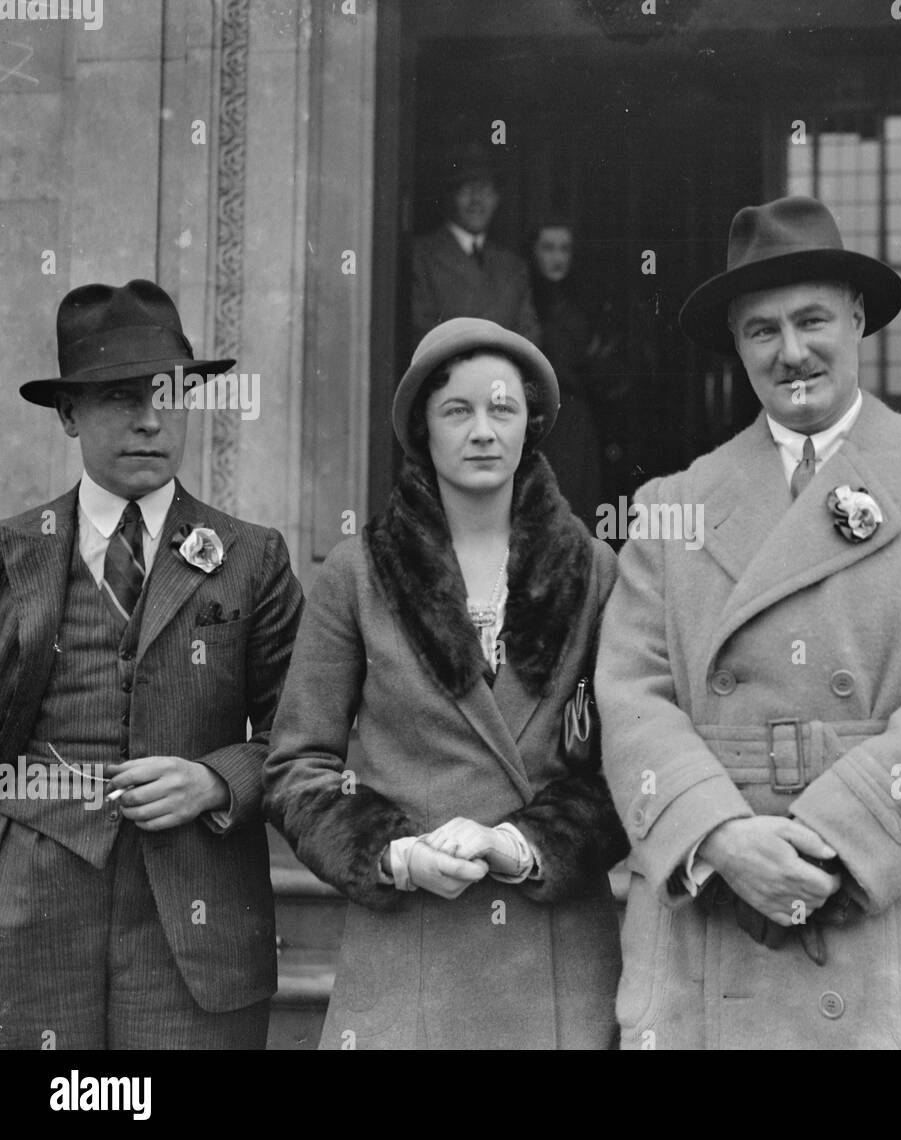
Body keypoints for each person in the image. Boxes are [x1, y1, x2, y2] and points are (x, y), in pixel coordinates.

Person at [597, 196, 901, 1049]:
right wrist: (720, 839)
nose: (791, 353)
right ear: (736, 344)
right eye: (762, 331)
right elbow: (630, 698)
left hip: (897, 910)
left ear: (858, 319)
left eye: (812, 320)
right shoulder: (670, 507)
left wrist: (825, 843)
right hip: (717, 917)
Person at [264, 317, 628, 1049]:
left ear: (533, 423)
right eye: (457, 411)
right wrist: (393, 855)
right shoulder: (357, 574)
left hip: (556, 953)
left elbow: (629, 771)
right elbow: (297, 769)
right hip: (410, 947)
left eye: (503, 409)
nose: (483, 431)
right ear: (421, 428)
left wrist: (520, 845)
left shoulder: (594, 572)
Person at [0, 279, 303, 1049]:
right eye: (117, 396)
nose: (149, 419)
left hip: (197, 935)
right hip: (32, 935)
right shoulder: (12, 554)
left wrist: (214, 779)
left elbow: (307, 742)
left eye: (170, 394)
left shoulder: (251, 556)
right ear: (68, 414)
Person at [409, 145, 540, 346]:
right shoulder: (422, 255)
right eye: (467, 189)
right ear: (450, 196)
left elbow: (528, 334)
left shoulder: (513, 265)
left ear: (497, 200)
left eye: (486, 190)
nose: (477, 200)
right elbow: (421, 328)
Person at [531, 219, 612, 529]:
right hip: (537, 414)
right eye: (548, 248)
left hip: (577, 413)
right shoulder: (526, 297)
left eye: (564, 249)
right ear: (534, 251)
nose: (557, 257)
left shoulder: (588, 299)